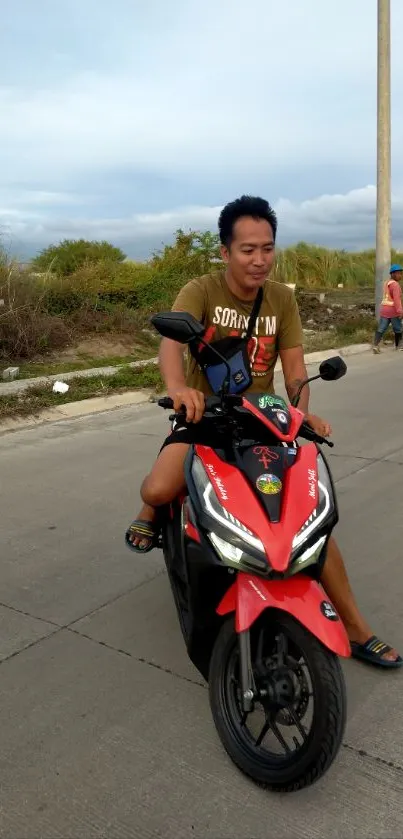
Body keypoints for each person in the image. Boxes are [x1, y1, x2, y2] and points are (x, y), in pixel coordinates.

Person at [129, 195, 402, 668]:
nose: (259, 260)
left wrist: (300, 415)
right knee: (158, 486)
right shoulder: (201, 290)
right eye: (247, 249)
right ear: (225, 252)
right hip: (204, 416)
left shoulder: (282, 298)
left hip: (264, 417)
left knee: (306, 521)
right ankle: (151, 512)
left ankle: (356, 626)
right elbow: (171, 347)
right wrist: (178, 391)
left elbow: (295, 371)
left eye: (267, 249)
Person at [373, 264, 403, 354]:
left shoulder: (387, 283)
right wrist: (400, 311)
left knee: (381, 328)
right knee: (398, 329)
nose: (400, 275)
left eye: (400, 273)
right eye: (398, 273)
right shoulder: (395, 285)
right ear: (392, 274)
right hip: (393, 310)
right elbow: (397, 300)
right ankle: (399, 346)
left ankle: (375, 345)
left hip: (384, 310)